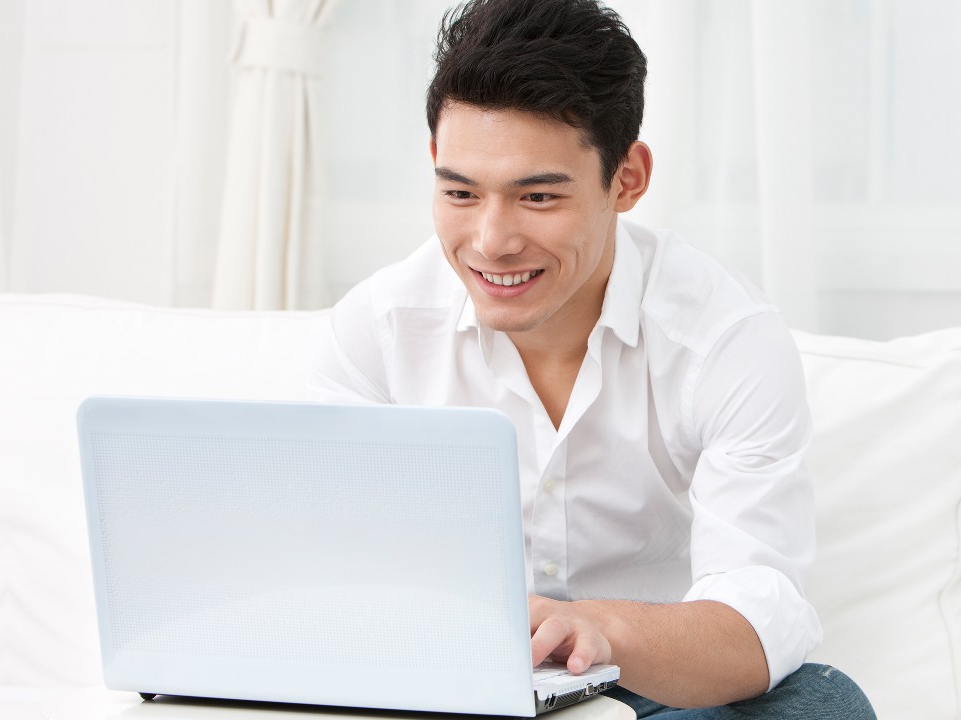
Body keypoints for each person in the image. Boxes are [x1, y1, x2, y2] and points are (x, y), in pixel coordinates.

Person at [309, 0, 874, 717]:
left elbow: (758, 616)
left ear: (627, 179)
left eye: (538, 196)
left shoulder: (726, 339)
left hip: (657, 688)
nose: (490, 241)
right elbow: (330, 570)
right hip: (461, 685)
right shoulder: (377, 331)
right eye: (460, 192)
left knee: (822, 702)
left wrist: (602, 629)